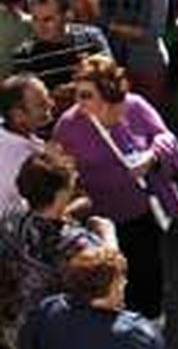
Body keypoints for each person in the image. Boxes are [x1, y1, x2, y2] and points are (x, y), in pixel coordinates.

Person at [51, 57, 178, 322]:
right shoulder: (68, 126)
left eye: (86, 95)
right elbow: (57, 171)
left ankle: (153, 319)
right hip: (100, 220)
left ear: (108, 94)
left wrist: (153, 157)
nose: (79, 101)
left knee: (147, 269)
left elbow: (166, 138)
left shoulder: (133, 106)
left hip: (141, 212)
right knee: (110, 279)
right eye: (77, 93)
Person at [0, 145, 115, 344]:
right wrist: (107, 232)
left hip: (16, 322)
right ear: (60, 194)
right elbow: (109, 272)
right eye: (72, 182)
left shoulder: (10, 218)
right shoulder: (78, 243)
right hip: (58, 331)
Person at [22, 245, 166, 349]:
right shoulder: (138, 334)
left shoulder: (48, 308)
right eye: (121, 279)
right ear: (112, 286)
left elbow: (28, 341)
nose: (125, 283)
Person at [10, 0, 110, 107]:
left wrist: (76, 88)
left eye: (48, 19)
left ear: (67, 16)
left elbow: (110, 78)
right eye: (35, 19)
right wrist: (51, 96)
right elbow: (27, 104)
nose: (40, 26)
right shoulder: (24, 54)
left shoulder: (92, 37)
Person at [0, 74, 50, 215]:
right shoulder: (27, 160)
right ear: (18, 115)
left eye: (47, 98)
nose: (50, 105)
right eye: (41, 105)